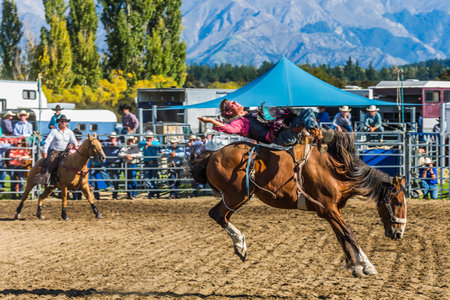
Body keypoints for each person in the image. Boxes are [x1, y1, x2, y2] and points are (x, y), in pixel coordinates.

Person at [198, 99, 333, 146]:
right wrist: (211, 121)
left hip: (284, 132)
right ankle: (319, 138)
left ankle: (318, 137)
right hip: (281, 137)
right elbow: (230, 129)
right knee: (306, 114)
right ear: (229, 112)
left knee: (306, 113)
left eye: (233, 101)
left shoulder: (251, 115)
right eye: (232, 104)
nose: (235, 102)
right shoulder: (241, 122)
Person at [34, 115, 78, 186]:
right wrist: (45, 151)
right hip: (54, 152)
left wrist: (75, 145)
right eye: (62, 121)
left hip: (65, 153)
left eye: (65, 121)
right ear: (59, 122)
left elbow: (74, 141)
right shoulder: (54, 131)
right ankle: (48, 180)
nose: (63, 123)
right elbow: (47, 142)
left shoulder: (69, 132)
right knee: (50, 164)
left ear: (67, 123)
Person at [139, 131, 161, 199]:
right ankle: (156, 190)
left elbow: (158, 145)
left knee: (152, 178)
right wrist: (146, 143)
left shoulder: (155, 142)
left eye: (150, 138)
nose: (149, 139)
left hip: (153, 162)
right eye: (147, 138)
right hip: (147, 163)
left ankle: (152, 193)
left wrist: (150, 144)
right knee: (147, 178)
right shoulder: (144, 143)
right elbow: (139, 144)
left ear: (153, 138)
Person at [102, 132, 122, 200]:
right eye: (111, 138)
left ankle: (115, 195)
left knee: (115, 179)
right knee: (102, 170)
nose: (112, 139)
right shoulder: (105, 144)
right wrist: (109, 144)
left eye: (113, 138)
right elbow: (103, 144)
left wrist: (113, 144)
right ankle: (110, 185)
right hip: (109, 162)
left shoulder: (119, 143)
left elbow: (118, 145)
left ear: (116, 138)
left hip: (116, 163)